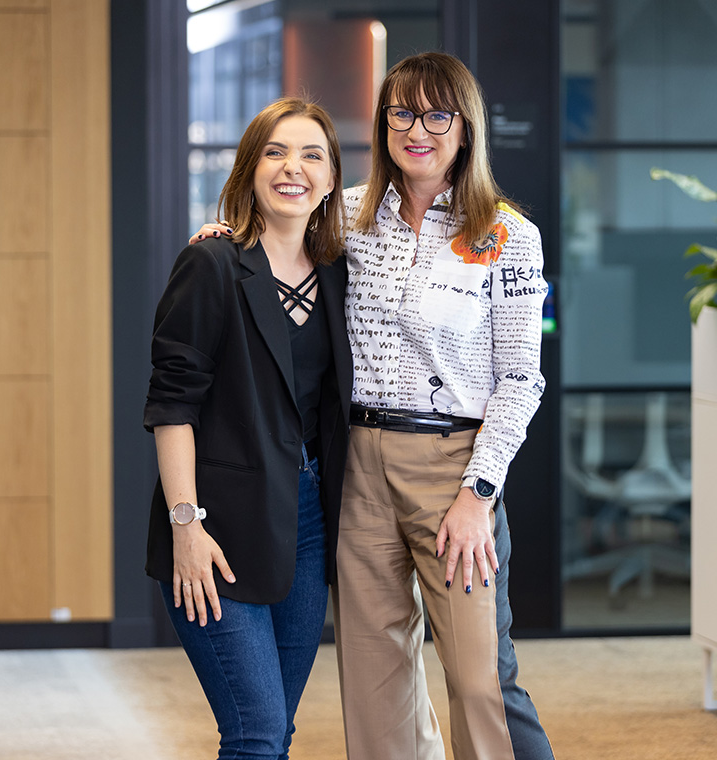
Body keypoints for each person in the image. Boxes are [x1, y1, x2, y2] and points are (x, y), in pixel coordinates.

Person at [192, 52, 554, 760]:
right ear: (385, 121)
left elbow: (521, 379)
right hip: (358, 466)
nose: (416, 129)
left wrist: (480, 491)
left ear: (465, 127)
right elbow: (278, 233)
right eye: (401, 112)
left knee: (482, 680)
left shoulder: (507, 235)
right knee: (375, 679)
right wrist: (222, 238)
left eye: (435, 114)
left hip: (456, 466)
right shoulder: (350, 216)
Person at [144, 97, 352, 760]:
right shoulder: (211, 265)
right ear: (249, 168)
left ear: (331, 179)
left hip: (309, 524)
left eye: (312, 155)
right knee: (256, 734)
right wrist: (185, 524)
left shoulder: (342, 274)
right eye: (276, 151)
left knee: (276, 732)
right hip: (218, 527)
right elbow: (173, 404)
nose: (294, 168)